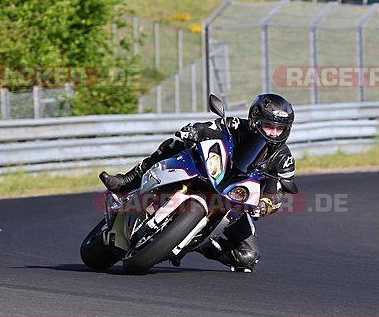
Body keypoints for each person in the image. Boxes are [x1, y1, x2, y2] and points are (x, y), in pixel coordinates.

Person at [99, 93, 297, 272]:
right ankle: (126, 181)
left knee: (248, 257)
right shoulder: (237, 126)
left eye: (279, 129)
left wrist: (265, 205)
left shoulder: (284, 158)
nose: (273, 133)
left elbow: (278, 192)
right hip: (210, 173)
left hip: (235, 203)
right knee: (174, 144)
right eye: (269, 126)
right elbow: (210, 128)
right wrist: (195, 131)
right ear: (255, 120)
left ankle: (199, 242)